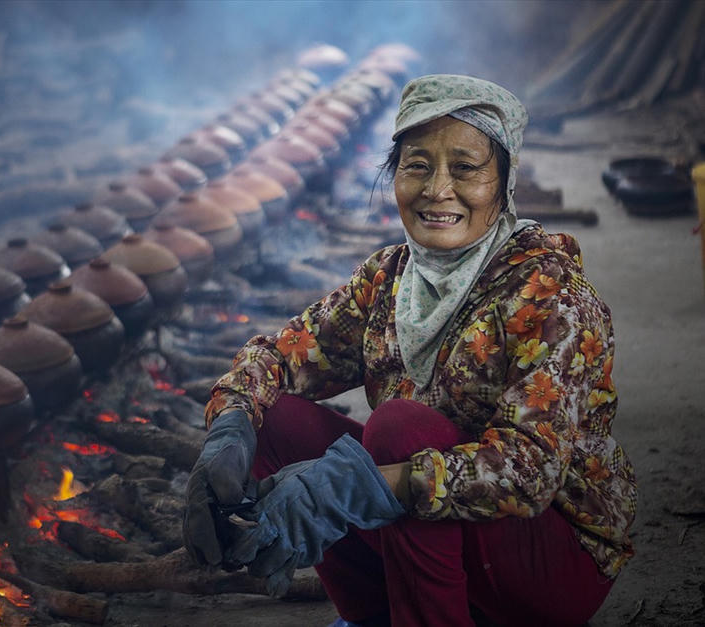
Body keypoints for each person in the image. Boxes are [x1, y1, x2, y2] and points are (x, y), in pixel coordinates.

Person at [183, 74, 637, 627]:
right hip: (441, 547)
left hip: (546, 561)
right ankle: (380, 615)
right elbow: (280, 359)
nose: (436, 189)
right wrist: (230, 426)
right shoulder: (390, 277)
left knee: (397, 430)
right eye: (417, 165)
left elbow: (529, 471)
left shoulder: (550, 296)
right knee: (273, 420)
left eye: (466, 168)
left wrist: (356, 485)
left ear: (504, 183)